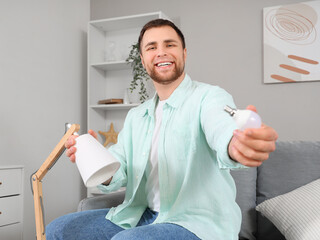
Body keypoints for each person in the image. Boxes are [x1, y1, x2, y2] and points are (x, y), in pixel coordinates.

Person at [46, 19, 278, 240]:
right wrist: (96, 159)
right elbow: (119, 171)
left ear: (184, 53)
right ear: (143, 59)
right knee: (59, 229)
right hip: (142, 214)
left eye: (170, 44)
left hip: (198, 221)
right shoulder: (137, 116)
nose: (161, 52)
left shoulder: (209, 97)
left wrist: (235, 145)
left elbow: (220, 128)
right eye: (151, 47)